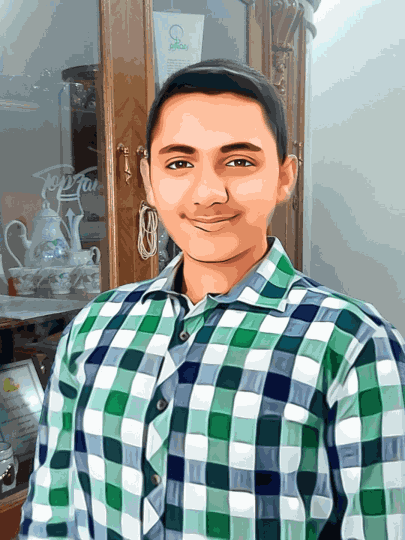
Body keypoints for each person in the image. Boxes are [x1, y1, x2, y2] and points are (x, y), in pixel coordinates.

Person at [19, 58, 405, 540]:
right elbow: (52, 513)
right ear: (149, 179)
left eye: (239, 162)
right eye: (179, 163)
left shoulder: (353, 345)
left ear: (284, 177)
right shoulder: (95, 326)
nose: (208, 193)